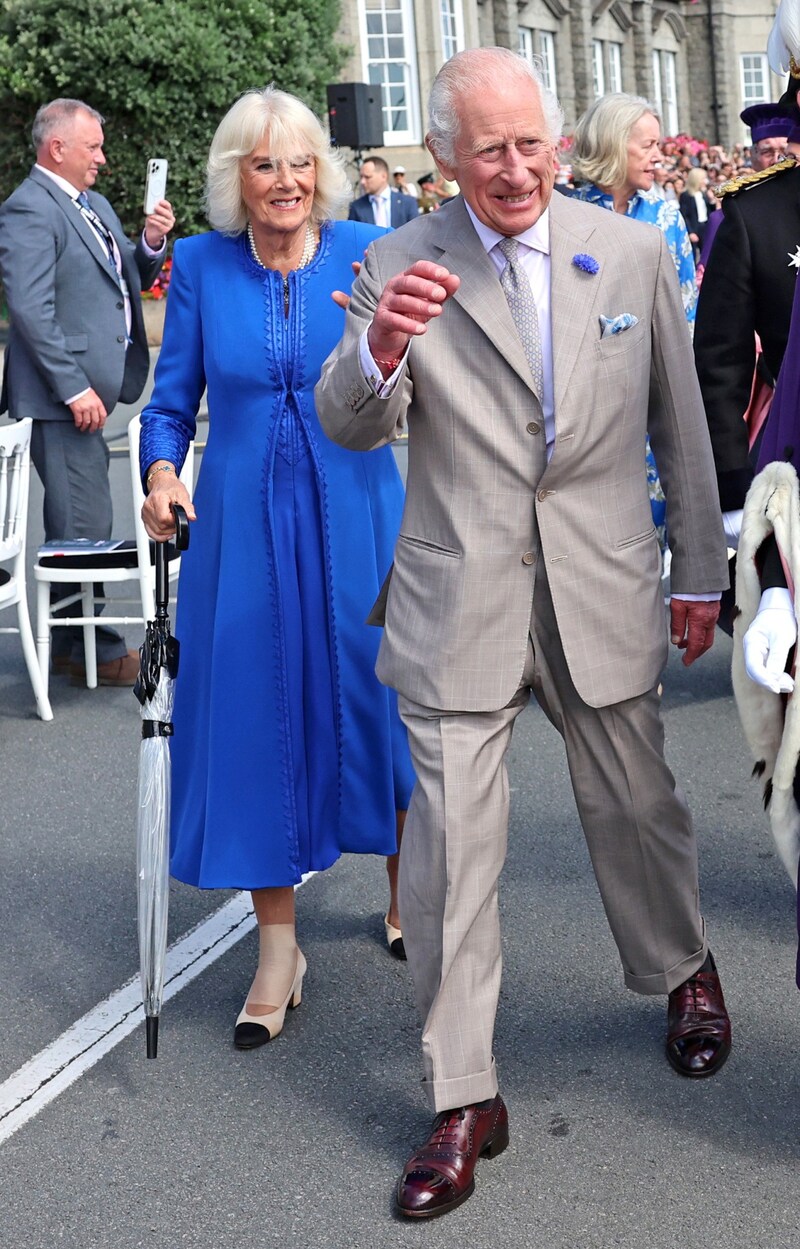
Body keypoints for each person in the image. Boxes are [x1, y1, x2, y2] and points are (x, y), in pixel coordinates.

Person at [316, 47, 731, 1221]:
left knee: (635, 806)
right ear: (440, 160)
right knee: (448, 849)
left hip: (599, 579)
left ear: (556, 142)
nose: (513, 168)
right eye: (486, 148)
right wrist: (379, 348)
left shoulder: (634, 251)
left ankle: (680, 970)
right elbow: (350, 423)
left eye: (529, 142)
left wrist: (695, 567)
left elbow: (677, 424)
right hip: (461, 596)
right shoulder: (394, 263)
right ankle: (462, 1093)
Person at [139, 87, 416, 1048]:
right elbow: (169, 403)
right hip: (244, 529)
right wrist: (162, 472)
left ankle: (401, 886)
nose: (286, 181)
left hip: (362, 511)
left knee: (380, 695)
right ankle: (277, 946)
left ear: (322, 173)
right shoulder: (203, 265)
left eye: (300, 163)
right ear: (236, 180)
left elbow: (414, 381)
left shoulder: (364, 256)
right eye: (264, 165)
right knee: (258, 714)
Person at [0, 97, 174, 685]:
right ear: (58, 148)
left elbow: (128, 280)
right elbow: (29, 309)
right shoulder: (29, 208)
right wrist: (74, 388)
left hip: (87, 400)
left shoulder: (91, 203)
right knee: (81, 528)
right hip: (60, 402)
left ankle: (75, 647)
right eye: (93, 146)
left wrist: (149, 244)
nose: (102, 157)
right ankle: (90, 652)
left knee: (86, 520)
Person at [571, 93, 697, 550]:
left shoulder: (665, 216)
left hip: (649, 402)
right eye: (647, 145)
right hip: (583, 408)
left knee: (649, 545)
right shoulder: (562, 214)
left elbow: (687, 314)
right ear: (612, 144)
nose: (658, 155)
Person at [348, 155, 418, 228]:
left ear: (383, 176)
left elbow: (416, 234)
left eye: (367, 177)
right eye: (361, 177)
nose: (362, 181)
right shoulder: (357, 206)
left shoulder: (408, 203)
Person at [679, 167, 712, 262]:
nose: (705, 181)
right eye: (703, 179)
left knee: (706, 254)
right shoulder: (686, 195)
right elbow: (684, 215)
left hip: (705, 225)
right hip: (694, 227)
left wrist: (712, 201)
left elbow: (710, 211)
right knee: (693, 256)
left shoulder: (704, 193)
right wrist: (690, 232)